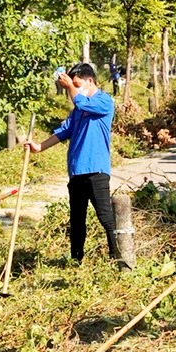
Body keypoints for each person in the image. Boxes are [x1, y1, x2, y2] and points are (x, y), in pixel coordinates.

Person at [25, 62, 117, 264]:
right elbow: (63, 132)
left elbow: (83, 103)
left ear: (89, 81)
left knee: (105, 216)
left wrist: (70, 87)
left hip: (96, 169)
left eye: (77, 84)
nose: (73, 89)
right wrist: (39, 147)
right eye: (72, 85)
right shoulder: (77, 111)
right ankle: (76, 259)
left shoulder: (104, 101)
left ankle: (117, 256)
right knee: (76, 220)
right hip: (76, 170)